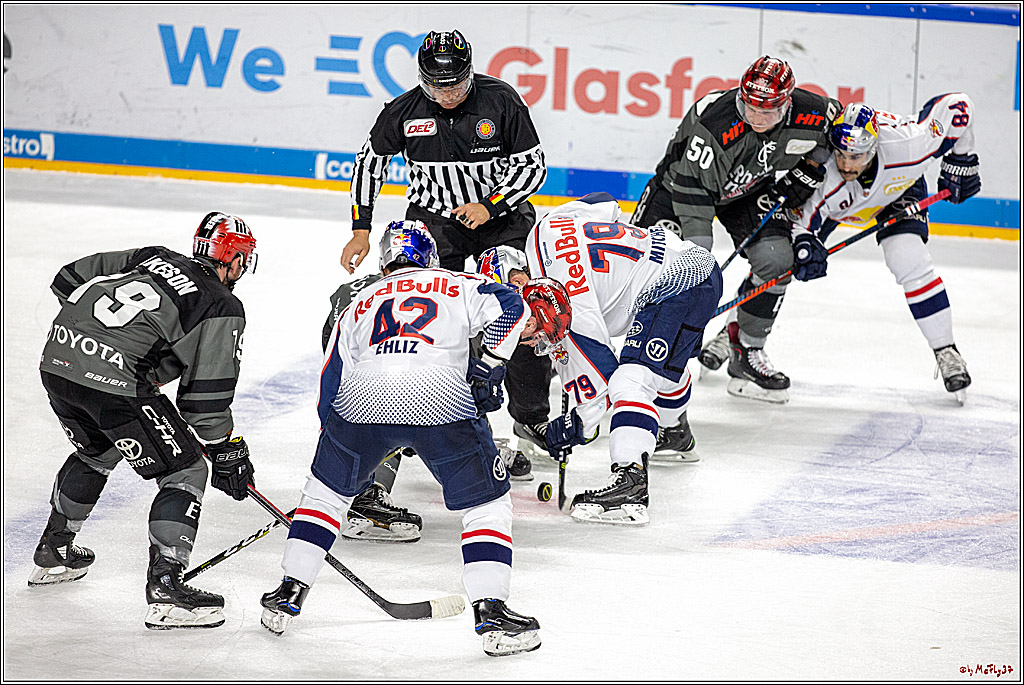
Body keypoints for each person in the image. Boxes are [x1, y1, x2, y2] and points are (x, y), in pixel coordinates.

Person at [261, 220, 567, 657]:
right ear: (431, 257)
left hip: (359, 403)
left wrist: (333, 442)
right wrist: (491, 364)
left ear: (386, 260)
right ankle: (492, 612)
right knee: (487, 506)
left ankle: (288, 593)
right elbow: (513, 307)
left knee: (323, 499)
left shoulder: (359, 300)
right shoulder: (458, 281)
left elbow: (331, 376)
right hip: (441, 398)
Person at [30, 212, 258, 630]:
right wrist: (228, 450)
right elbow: (203, 405)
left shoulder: (154, 256)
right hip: (115, 383)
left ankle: (54, 550)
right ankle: (167, 588)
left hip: (58, 360)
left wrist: (97, 341)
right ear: (233, 259)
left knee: (97, 449)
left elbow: (68, 278)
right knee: (186, 469)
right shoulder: (222, 304)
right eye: (243, 259)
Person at [341, 29, 554, 455]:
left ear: (469, 74)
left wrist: (490, 206)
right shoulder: (403, 112)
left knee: (523, 311)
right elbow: (369, 163)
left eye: (455, 84)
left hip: (501, 219)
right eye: (436, 87)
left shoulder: (502, 101)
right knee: (428, 317)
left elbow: (534, 167)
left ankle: (531, 417)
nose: (447, 94)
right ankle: (423, 412)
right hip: (435, 224)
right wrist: (361, 229)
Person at [632, 55, 841, 404]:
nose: (758, 118)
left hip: (746, 191)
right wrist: (699, 260)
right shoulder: (715, 122)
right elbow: (691, 189)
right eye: (751, 109)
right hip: (677, 192)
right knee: (644, 270)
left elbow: (845, 132)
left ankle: (747, 353)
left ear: (787, 103)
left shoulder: (815, 111)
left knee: (776, 260)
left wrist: (809, 168)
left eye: (769, 112)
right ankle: (599, 347)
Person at [524, 193, 723, 525]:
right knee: (658, 368)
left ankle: (631, 481)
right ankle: (675, 431)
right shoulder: (543, 230)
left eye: (528, 331)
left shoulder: (569, 307)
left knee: (629, 380)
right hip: (690, 260)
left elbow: (601, 386)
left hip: (673, 283)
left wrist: (573, 428)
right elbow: (606, 203)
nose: (532, 338)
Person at [788, 96, 980, 403]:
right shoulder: (825, 172)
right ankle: (736, 335)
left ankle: (946, 350)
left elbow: (960, 105)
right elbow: (801, 225)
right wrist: (803, 244)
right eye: (842, 155)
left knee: (908, 259)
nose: (847, 164)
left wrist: (961, 159)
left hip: (897, 191)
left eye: (857, 156)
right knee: (784, 259)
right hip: (837, 207)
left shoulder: (909, 145)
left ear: (875, 147)